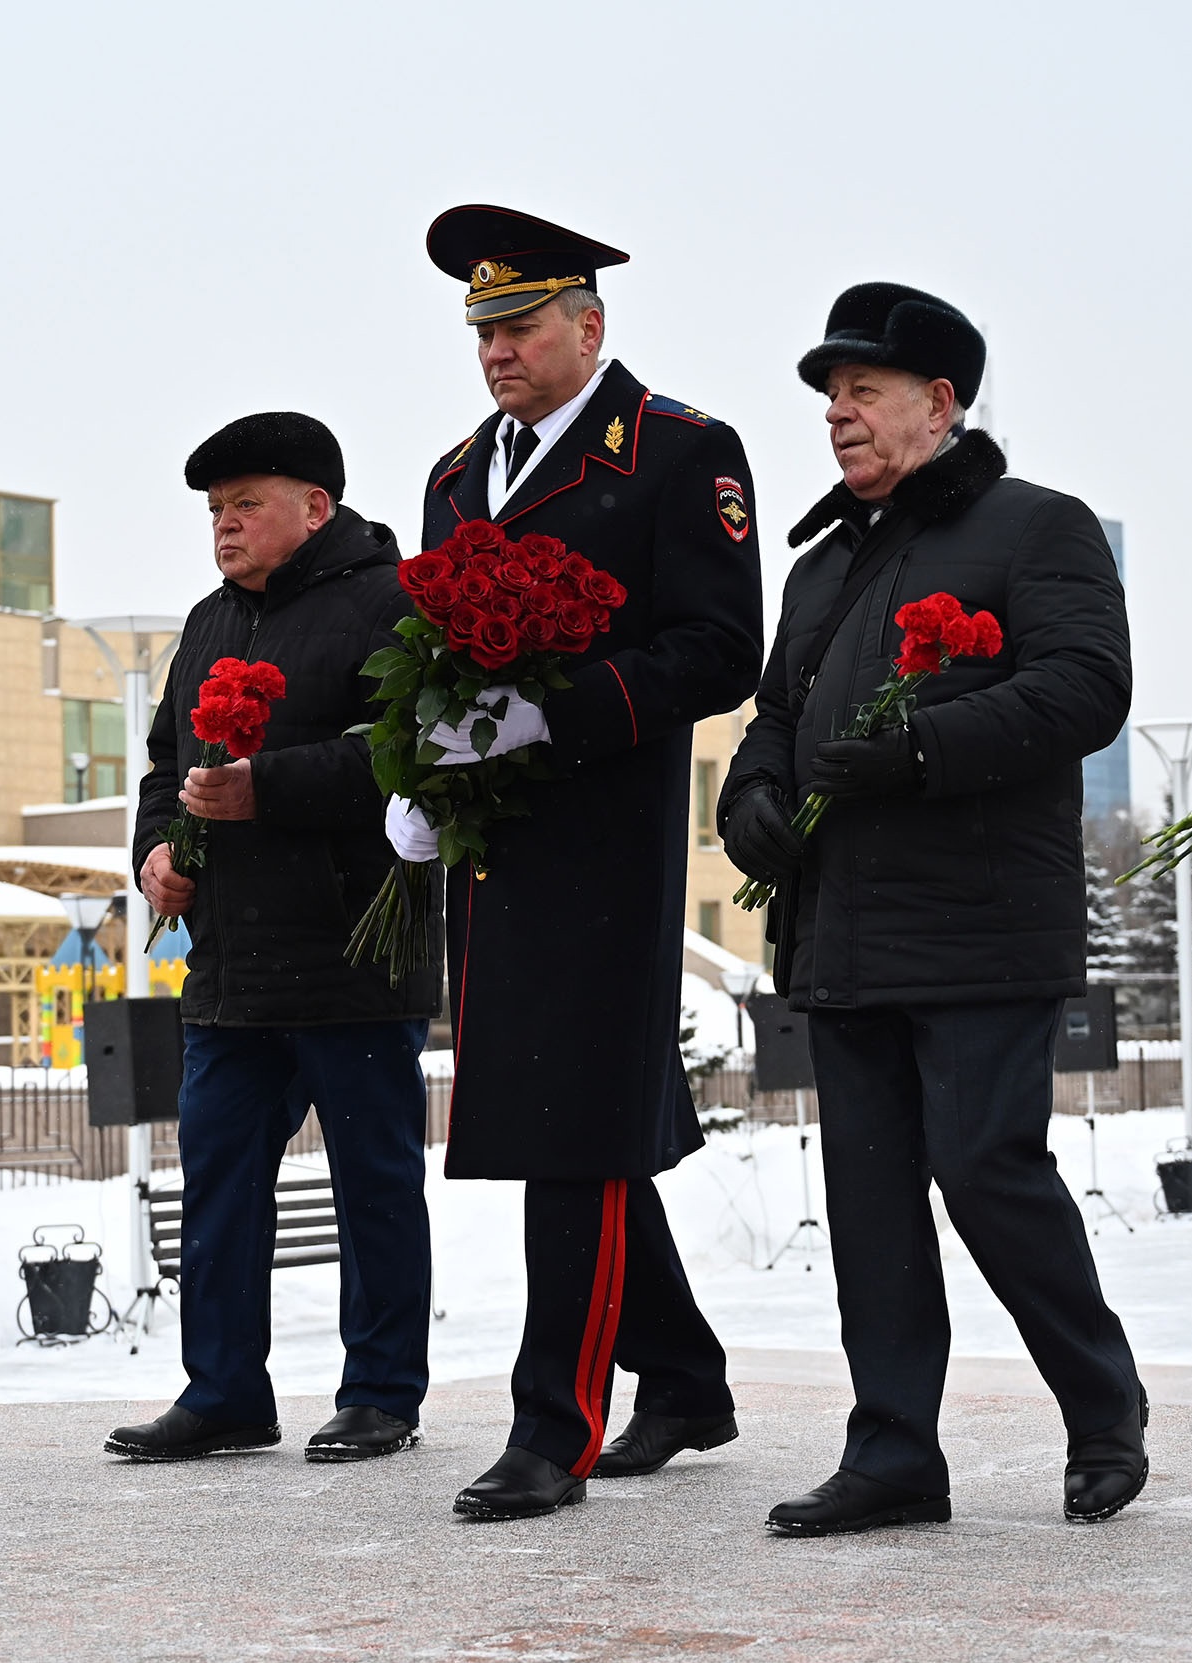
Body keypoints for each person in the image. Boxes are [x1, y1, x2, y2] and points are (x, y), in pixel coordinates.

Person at [719, 281, 1146, 1536]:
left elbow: (1086, 689)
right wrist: (750, 800)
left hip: (978, 926)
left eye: (862, 393)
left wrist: (922, 752)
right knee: (867, 1196)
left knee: (985, 1172)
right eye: (829, 398)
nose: (838, 417)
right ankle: (894, 1450)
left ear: (941, 403)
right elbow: (778, 722)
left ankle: (1101, 1401)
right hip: (842, 930)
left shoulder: (1036, 529)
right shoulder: (821, 566)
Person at [404, 206, 763, 1521]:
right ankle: (682, 1376)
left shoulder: (676, 453)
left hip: (606, 846)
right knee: (564, 1119)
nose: (498, 349)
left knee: (569, 1129)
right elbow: (433, 648)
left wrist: (551, 710)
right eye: (483, 329)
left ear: (589, 325)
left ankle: (553, 1424)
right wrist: (423, 764)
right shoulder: (453, 475)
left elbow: (723, 649)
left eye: (521, 324)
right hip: (494, 857)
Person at [105, 414, 442, 1466]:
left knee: (372, 1184)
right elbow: (168, 769)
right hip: (231, 964)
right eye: (215, 509)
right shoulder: (205, 624)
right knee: (219, 1185)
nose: (226, 525)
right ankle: (223, 1393)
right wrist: (157, 851)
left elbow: (413, 755)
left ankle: (381, 1389)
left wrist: (270, 790)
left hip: (353, 953)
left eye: (247, 503)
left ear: (317, 507)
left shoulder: (391, 606)